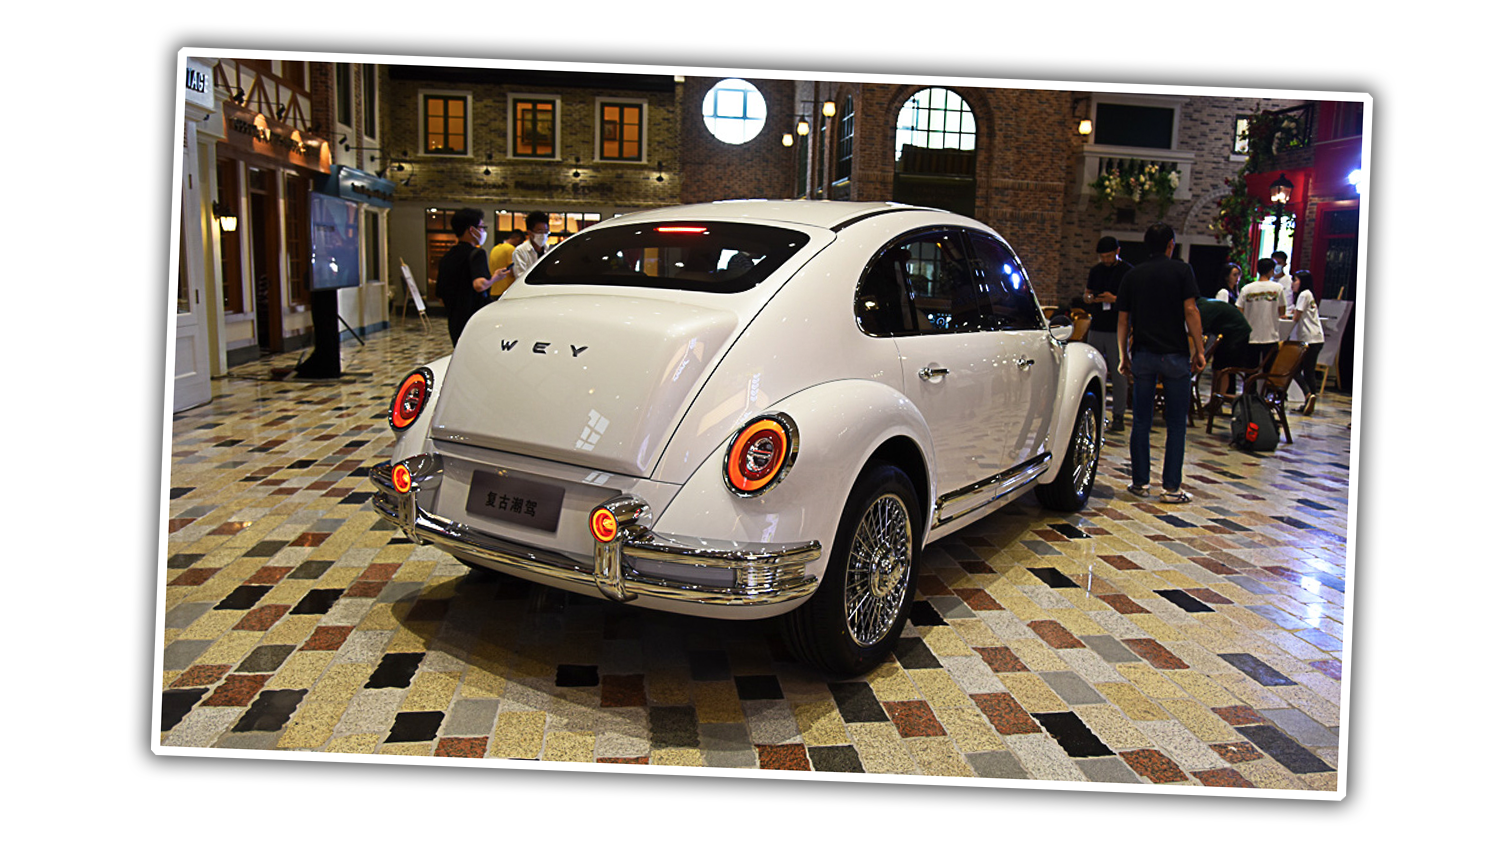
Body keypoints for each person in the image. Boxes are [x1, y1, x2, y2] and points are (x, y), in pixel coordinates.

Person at [1117, 222, 1205, 505]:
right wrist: (1199, 349)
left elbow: (1123, 319)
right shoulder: (1182, 270)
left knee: (1141, 421)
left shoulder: (1132, 275)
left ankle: (1140, 483)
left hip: (1143, 354)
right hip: (1175, 355)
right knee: (1176, 423)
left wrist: (1123, 355)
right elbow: (1190, 310)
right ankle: (1171, 488)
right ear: (1170, 245)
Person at [436, 208, 512, 346]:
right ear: (472, 230)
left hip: (454, 321)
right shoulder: (477, 254)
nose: (483, 231)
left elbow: (441, 297)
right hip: (474, 319)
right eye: (481, 227)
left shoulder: (447, 257)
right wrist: (495, 277)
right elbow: (479, 284)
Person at [1085, 236, 1133, 431]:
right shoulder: (1096, 271)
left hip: (1117, 328)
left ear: (1117, 252)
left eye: (1108, 256)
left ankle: (1118, 415)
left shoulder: (1127, 271)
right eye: (1102, 257)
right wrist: (1090, 298)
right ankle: (1092, 413)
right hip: (1097, 325)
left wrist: (1114, 299)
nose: (1105, 260)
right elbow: (1086, 293)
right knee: (1092, 371)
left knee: (1119, 372)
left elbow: (1132, 300)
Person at [1237, 258, 1285, 369]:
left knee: (1250, 370)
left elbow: (1239, 310)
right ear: (1271, 270)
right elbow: (1282, 310)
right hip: (1271, 335)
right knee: (1269, 370)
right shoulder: (1278, 288)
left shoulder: (1247, 289)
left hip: (1251, 335)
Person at [1288, 269, 1325, 415]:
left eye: (1295, 280)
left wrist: (1288, 316)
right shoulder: (1309, 294)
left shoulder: (1304, 294)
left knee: (1295, 370)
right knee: (1309, 371)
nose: (1293, 283)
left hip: (1309, 339)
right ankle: (1309, 401)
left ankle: (1308, 395)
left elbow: (1296, 317)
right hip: (1316, 338)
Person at [510, 211, 552, 283]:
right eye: (540, 232)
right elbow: (520, 278)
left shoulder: (549, 250)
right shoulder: (520, 251)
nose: (543, 235)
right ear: (530, 232)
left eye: (546, 232)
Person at [487, 229, 526, 298]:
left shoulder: (495, 248)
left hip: (493, 290)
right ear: (518, 238)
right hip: (506, 291)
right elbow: (513, 272)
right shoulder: (511, 249)